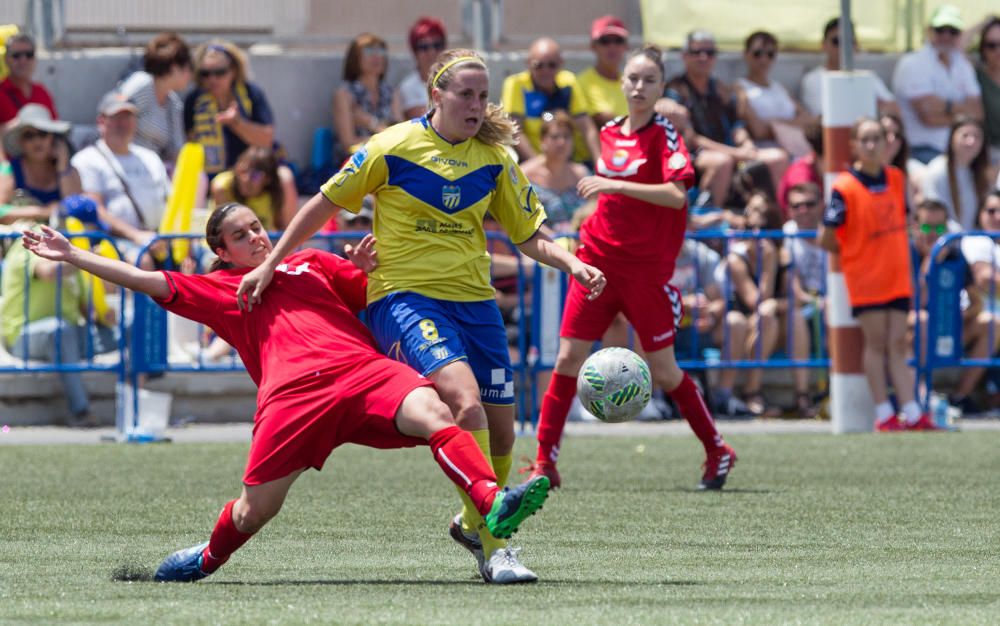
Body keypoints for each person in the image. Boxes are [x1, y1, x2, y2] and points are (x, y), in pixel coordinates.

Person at [20, 202, 552, 582]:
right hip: (293, 401)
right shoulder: (222, 289)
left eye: (258, 226)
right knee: (255, 511)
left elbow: (373, 295)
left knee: (440, 411)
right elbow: (144, 280)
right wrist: (73, 256)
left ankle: (489, 508)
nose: (258, 237)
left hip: (364, 373)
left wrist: (371, 269)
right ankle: (208, 557)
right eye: (242, 235)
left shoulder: (310, 263)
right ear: (221, 253)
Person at [235, 49, 606, 584]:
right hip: (405, 298)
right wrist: (269, 264)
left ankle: (471, 523)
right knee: (465, 401)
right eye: (465, 95)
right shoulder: (391, 146)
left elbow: (529, 236)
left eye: (483, 96)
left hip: (475, 304)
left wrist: (572, 261)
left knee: (503, 437)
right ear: (437, 95)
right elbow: (322, 204)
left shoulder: (495, 159)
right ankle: (498, 547)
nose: (477, 105)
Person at [525, 45, 737, 490]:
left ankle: (718, 450)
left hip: (644, 274)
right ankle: (545, 463)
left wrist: (614, 184)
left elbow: (677, 195)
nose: (639, 87)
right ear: (621, 82)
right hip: (596, 263)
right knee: (565, 360)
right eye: (633, 79)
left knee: (665, 371)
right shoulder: (610, 132)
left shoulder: (664, 134)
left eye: (649, 80)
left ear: (661, 88)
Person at [818, 117, 936, 431]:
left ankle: (911, 411)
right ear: (854, 144)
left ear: (887, 142)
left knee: (899, 342)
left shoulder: (896, 178)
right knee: (877, 343)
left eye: (877, 138)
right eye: (865, 139)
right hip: (866, 277)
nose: (872, 145)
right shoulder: (844, 186)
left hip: (897, 274)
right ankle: (884, 413)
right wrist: (857, 250)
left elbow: (910, 221)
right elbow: (827, 236)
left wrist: (927, 234)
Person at [2, 197, 117, 427]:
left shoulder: (77, 253)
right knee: (61, 330)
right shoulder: (32, 239)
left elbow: (87, 311)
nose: (93, 240)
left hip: (69, 334)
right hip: (23, 337)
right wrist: (86, 259)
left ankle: (134, 408)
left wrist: (105, 316)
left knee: (134, 324)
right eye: (91, 230)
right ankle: (80, 411)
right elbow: (47, 271)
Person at [663, 30, 789, 211]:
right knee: (721, 162)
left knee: (778, 157)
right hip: (693, 156)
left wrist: (745, 143)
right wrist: (735, 153)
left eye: (710, 53)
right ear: (685, 56)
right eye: (697, 52)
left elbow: (737, 125)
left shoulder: (721, 89)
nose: (703, 57)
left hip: (731, 152)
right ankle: (709, 224)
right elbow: (690, 138)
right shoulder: (675, 89)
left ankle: (779, 221)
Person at [913, 198, 997, 416]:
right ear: (914, 226)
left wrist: (962, 315)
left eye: (939, 227)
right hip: (911, 332)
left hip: (949, 331)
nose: (933, 233)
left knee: (992, 324)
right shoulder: (906, 254)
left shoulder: (955, 255)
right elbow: (912, 305)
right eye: (926, 227)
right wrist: (929, 265)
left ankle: (959, 398)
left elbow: (976, 300)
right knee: (922, 320)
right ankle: (922, 396)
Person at [71, 92, 170, 263]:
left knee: (204, 259)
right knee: (141, 261)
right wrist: (137, 235)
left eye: (128, 117)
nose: (123, 124)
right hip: (114, 241)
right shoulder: (86, 160)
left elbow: (170, 200)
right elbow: (95, 209)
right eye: (116, 117)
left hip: (160, 238)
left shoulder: (150, 157)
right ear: (101, 122)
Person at [891, 4, 983, 165]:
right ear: (929, 31)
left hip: (960, 151)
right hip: (921, 151)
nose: (946, 36)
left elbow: (978, 113)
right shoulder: (912, 63)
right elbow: (927, 116)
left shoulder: (962, 65)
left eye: (953, 31)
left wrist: (944, 107)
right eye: (941, 29)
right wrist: (962, 112)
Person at [184, 40, 277, 178]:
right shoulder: (194, 100)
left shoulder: (250, 93)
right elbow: (189, 145)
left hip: (248, 175)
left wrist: (237, 123)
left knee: (285, 177)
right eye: (206, 73)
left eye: (220, 72)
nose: (212, 79)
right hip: (207, 176)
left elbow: (266, 140)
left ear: (233, 70)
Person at [501, 37, 601, 164]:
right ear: (528, 63)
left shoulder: (568, 82)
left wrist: (600, 163)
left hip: (568, 162)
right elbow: (515, 131)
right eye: (538, 65)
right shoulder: (516, 84)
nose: (545, 71)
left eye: (552, 65)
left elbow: (586, 127)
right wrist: (539, 166)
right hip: (533, 162)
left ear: (561, 63)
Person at [800, 18, 898, 121]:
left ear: (856, 46)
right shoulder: (813, 80)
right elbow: (825, 118)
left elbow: (894, 109)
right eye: (837, 41)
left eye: (849, 41)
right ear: (823, 45)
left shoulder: (867, 77)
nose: (844, 47)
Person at [117, 32, 192, 166]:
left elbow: (177, 149)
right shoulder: (141, 85)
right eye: (188, 68)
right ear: (174, 68)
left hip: (154, 172)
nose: (190, 75)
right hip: (124, 163)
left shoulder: (173, 104)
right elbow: (114, 119)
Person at [735, 31, 812, 162]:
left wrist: (774, 124)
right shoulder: (740, 89)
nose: (764, 59)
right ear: (746, 54)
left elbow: (807, 119)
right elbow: (758, 130)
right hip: (768, 156)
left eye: (770, 54)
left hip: (796, 153)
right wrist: (790, 125)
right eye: (757, 54)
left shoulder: (780, 88)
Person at [0, 104, 80, 224]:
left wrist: (62, 167)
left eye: (43, 133)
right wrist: (42, 211)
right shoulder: (9, 170)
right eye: (29, 136)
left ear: (53, 138)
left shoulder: (71, 171)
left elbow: (77, 210)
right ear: (21, 142)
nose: (37, 141)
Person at [332, 33, 401, 159]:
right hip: (355, 164)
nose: (376, 56)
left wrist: (369, 122)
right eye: (369, 51)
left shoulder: (392, 93)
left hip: (387, 160)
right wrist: (386, 135)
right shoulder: (344, 95)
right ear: (355, 58)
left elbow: (400, 137)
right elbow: (348, 144)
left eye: (381, 51)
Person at [519, 110, 589, 232]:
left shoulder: (582, 174)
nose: (561, 142)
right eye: (555, 137)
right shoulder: (524, 175)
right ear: (542, 140)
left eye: (566, 136)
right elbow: (520, 218)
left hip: (579, 242)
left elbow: (594, 208)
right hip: (539, 244)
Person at [921, 116, 991, 231]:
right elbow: (933, 216)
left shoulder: (980, 174)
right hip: (946, 241)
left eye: (977, 136)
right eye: (965, 136)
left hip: (976, 242)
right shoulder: (937, 171)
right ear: (952, 138)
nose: (971, 141)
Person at [210, 146, 298, 231]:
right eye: (242, 171)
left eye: (255, 176)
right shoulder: (223, 187)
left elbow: (285, 229)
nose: (245, 179)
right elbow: (224, 231)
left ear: (268, 179)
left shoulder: (274, 194)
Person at [576, 15, 630, 127]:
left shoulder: (632, 84)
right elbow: (602, 120)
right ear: (593, 46)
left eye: (618, 41)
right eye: (605, 41)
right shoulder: (580, 83)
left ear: (626, 46)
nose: (612, 47)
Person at [0, 34, 57, 127]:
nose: (23, 60)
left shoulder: (42, 92)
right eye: (16, 55)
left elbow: (55, 128)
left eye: (29, 55)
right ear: (6, 59)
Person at [397, 17, 447, 120]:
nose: (431, 52)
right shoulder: (408, 87)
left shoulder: (456, 80)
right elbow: (425, 121)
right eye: (424, 47)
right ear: (415, 52)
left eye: (437, 45)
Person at [973, 17, 1000, 168]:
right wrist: (983, 23)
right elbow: (954, 48)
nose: (998, 50)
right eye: (991, 45)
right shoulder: (975, 76)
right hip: (989, 152)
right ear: (982, 49)